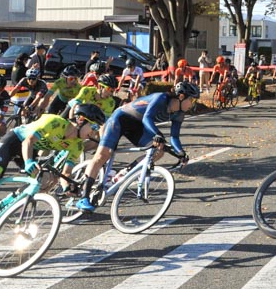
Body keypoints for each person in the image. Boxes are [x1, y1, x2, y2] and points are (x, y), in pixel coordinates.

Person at [0, 104, 106, 249]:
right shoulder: (55, 122)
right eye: (93, 126)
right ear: (80, 120)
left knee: (45, 181)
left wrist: (67, 187)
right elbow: (29, 140)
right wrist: (28, 162)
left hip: (28, 150)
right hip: (14, 142)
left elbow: (66, 172)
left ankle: (8, 201)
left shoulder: (76, 145)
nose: (93, 132)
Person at [76, 81, 199, 211]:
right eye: (192, 100)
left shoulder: (179, 113)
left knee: (159, 151)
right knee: (103, 155)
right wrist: (158, 135)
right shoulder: (161, 98)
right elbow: (147, 118)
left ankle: (124, 173)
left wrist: (181, 153)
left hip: (136, 126)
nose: (192, 103)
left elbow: (174, 137)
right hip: (120, 119)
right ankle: (83, 198)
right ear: (181, 96)